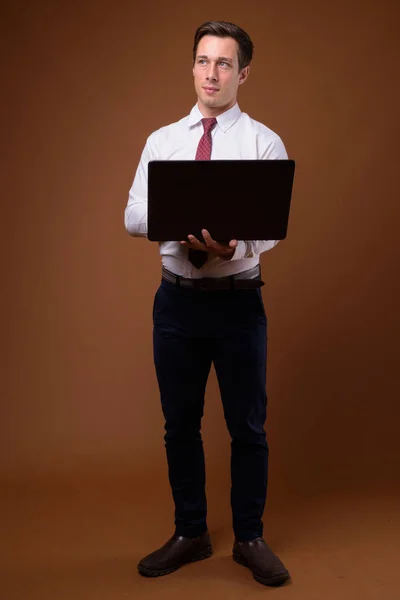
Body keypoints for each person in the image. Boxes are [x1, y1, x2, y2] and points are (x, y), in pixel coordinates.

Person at [124, 20, 291, 587]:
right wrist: (181, 223)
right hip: (177, 306)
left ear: (242, 73)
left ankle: (249, 538)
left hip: (239, 303)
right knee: (180, 426)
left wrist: (235, 242)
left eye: (223, 63)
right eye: (202, 61)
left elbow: (271, 227)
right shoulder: (163, 140)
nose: (211, 73)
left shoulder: (264, 142)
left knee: (248, 428)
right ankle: (190, 531)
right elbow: (133, 216)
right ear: (192, 68)